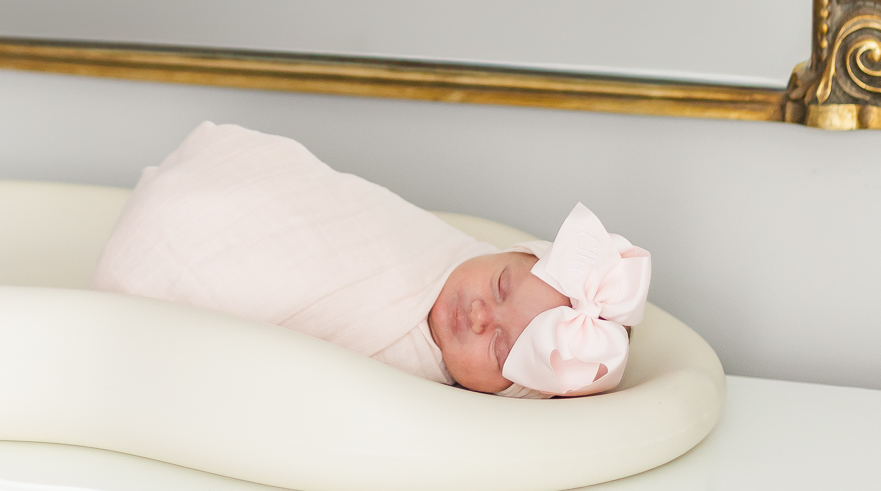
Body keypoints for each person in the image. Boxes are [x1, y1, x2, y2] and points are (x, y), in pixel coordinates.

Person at [92, 122, 650, 399]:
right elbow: (336, 208)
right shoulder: (440, 247)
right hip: (231, 190)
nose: (480, 315)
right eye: (502, 284)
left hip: (174, 268)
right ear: (506, 252)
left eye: (501, 347)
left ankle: (170, 247)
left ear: (508, 395)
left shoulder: (416, 388)